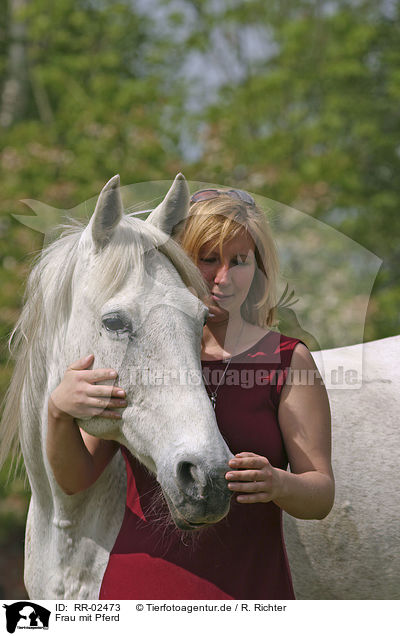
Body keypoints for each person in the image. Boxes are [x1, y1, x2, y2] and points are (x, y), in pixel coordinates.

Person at [47, 187, 334, 599]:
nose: (223, 278)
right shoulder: (142, 349)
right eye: (208, 258)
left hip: (248, 592)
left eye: (240, 261)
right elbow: (76, 479)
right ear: (180, 260)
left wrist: (278, 483)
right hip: (138, 592)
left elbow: (321, 493)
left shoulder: (287, 359)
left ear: (258, 267)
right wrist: (59, 411)